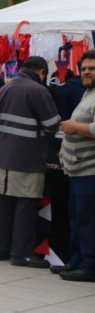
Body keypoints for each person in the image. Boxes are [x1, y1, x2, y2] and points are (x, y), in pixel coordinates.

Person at [0, 56, 61, 268]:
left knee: (3, 205)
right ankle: (21, 254)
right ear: (41, 72)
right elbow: (51, 124)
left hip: (4, 156)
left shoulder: (4, 89)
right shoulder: (38, 90)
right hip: (28, 158)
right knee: (26, 206)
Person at [55, 50, 95, 281]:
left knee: (87, 220)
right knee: (76, 219)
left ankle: (89, 266)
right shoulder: (88, 92)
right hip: (77, 170)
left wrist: (75, 127)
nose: (86, 72)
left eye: (92, 68)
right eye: (84, 68)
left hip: (90, 170)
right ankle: (76, 260)